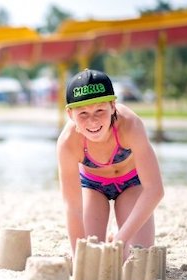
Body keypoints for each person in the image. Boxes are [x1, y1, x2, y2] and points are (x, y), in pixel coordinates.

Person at [56, 69, 164, 259]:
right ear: (70, 114)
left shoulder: (131, 125)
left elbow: (155, 190)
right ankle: (109, 238)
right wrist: (80, 256)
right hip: (92, 186)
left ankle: (116, 235)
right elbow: (72, 206)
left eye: (100, 110)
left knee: (138, 257)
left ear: (113, 106)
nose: (92, 121)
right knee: (90, 255)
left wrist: (120, 240)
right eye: (83, 113)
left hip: (131, 183)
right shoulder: (67, 142)